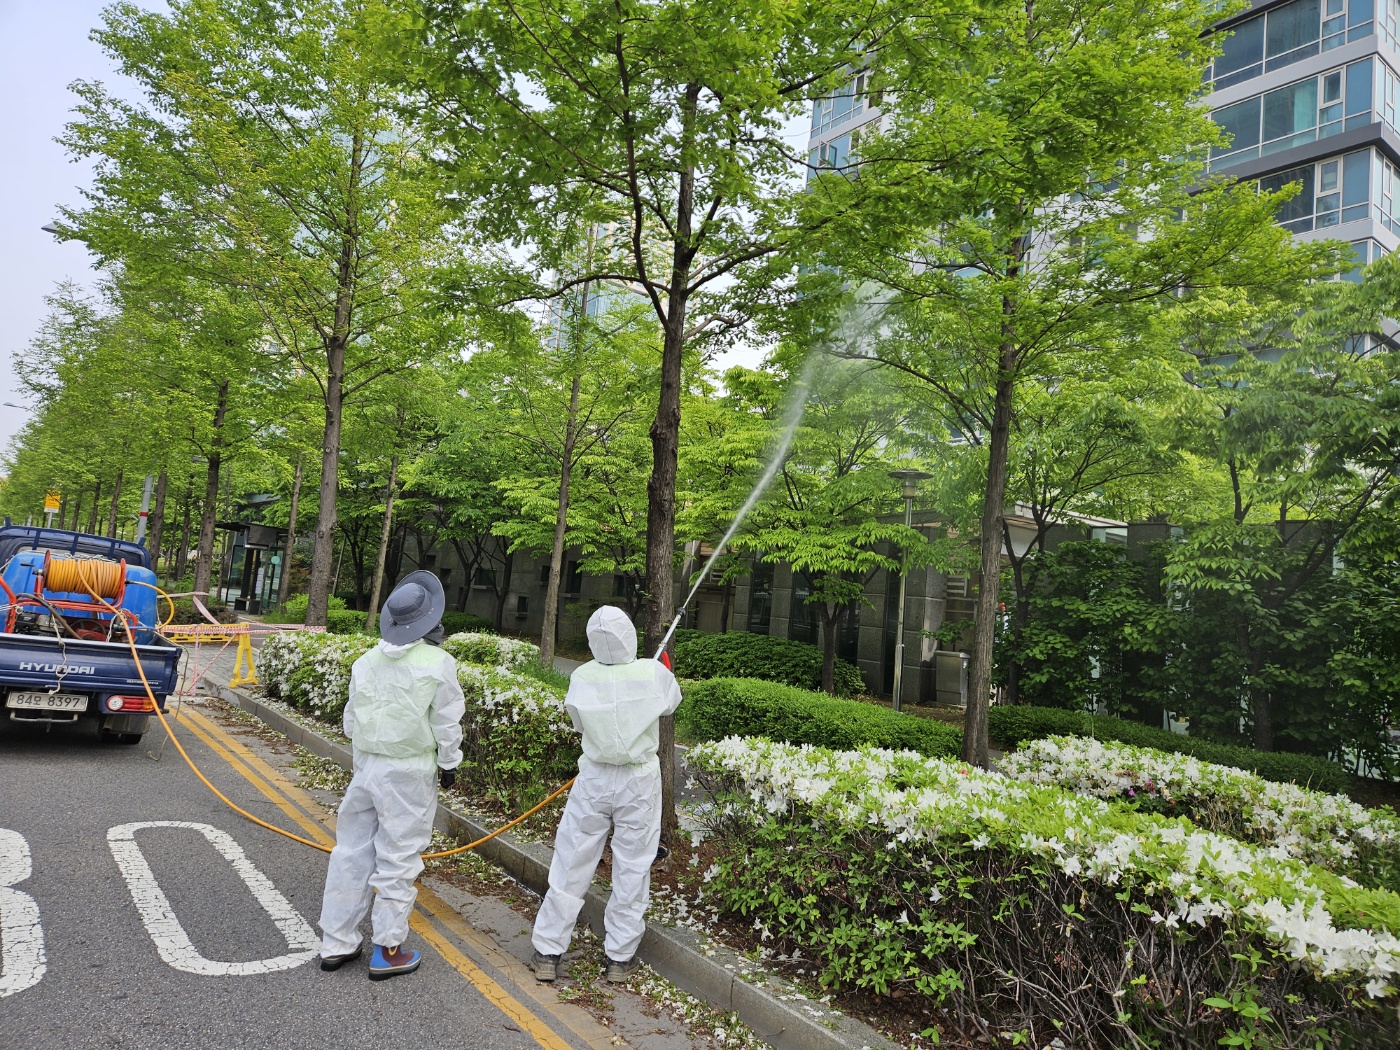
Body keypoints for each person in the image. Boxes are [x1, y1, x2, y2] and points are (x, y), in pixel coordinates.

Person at [317, 570, 465, 980]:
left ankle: (337, 941)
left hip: (366, 768)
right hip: (409, 771)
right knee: (398, 857)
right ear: (430, 620)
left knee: (351, 852)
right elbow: (447, 722)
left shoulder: (366, 662)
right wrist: (450, 763)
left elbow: (349, 723)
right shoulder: (439, 663)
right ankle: (388, 948)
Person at [530, 605, 683, 984]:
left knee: (572, 860)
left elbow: (578, 722)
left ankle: (548, 951)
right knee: (632, 865)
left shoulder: (582, 676)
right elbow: (671, 702)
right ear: (629, 635)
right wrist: (650, 674)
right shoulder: (653, 673)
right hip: (638, 782)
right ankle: (619, 957)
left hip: (594, 778)